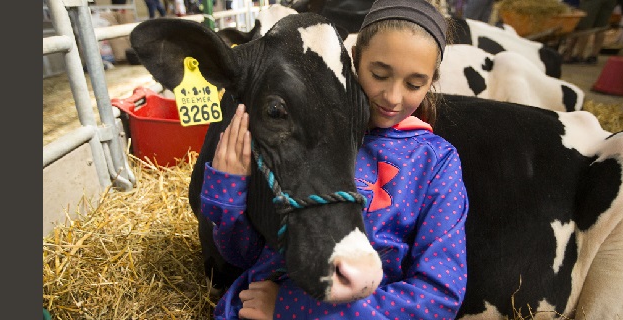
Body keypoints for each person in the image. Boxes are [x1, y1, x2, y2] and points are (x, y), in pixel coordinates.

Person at [199, 0, 470, 318]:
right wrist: (229, 190)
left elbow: (440, 293)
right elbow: (242, 254)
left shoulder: (436, 162)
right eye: (379, 75)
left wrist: (291, 307)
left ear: (432, 81)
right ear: (353, 58)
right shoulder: (305, 130)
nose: (393, 97)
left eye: (414, 84)